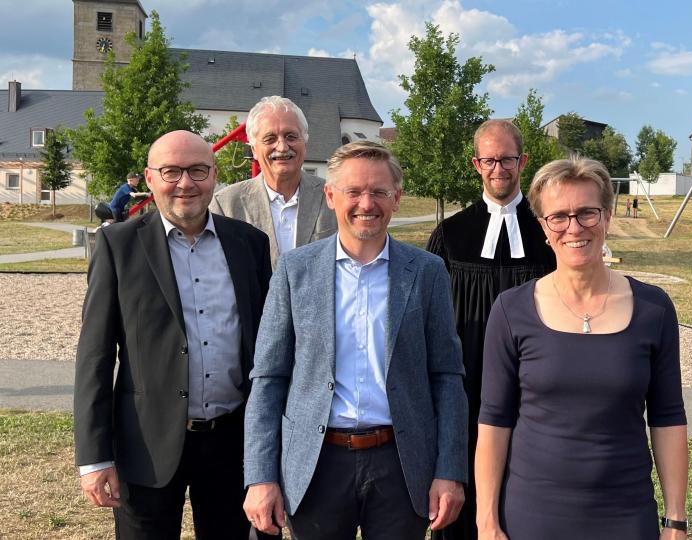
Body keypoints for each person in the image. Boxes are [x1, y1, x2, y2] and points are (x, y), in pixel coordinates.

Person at [243, 141, 468, 539]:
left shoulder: (428, 272)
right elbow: (269, 378)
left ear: (396, 198)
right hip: (316, 465)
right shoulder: (296, 270)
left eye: (379, 191)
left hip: (402, 465)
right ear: (330, 196)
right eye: (354, 191)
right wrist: (260, 476)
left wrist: (449, 471)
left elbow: (447, 376)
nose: (367, 203)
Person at [475, 157, 689, 540]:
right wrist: (487, 521)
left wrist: (675, 520)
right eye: (559, 216)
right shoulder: (512, 310)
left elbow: (668, 416)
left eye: (587, 213)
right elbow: (494, 420)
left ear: (607, 216)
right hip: (533, 515)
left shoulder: (653, 309)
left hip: (626, 514)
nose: (574, 227)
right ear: (543, 227)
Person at [74, 130, 273, 538]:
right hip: (146, 444)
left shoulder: (249, 244)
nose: (186, 183)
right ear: (149, 179)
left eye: (198, 170)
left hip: (231, 445)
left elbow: (267, 350)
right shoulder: (118, 245)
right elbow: (94, 356)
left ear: (214, 175)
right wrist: (94, 458)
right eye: (171, 171)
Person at [426, 119, 555, 540]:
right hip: (468, 393)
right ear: (475, 163)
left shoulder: (549, 233)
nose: (499, 168)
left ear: (524, 161)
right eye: (489, 160)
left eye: (508, 159)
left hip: (535, 394)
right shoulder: (451, 235)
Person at [210, 95, 337, 269]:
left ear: (304, 143)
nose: (282, 147)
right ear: (254, 149)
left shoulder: (334, 197)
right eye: (270, 139)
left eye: (291, 136)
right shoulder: (224, 205)